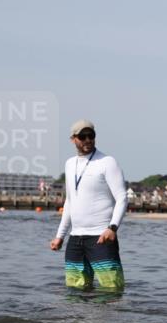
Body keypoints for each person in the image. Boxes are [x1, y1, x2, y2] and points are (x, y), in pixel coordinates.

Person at [50, 120, 128, 292]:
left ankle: (112, 320)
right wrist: (60, 236)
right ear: (73, 139)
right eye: (82, 136)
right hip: (76, 238)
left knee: (111, 290)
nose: (87, 140)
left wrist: (112, 228)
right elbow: (70, 201)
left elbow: (122, 198)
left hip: (101, 237)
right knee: (74, 292)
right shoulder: (70, 164)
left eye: (90, 136)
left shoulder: (107, 162)